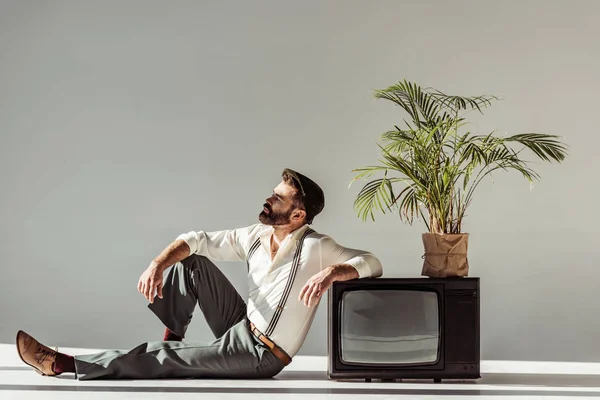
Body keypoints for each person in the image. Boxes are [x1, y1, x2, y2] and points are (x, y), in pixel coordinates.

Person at [16, 168, 383, 380]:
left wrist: (333, 272)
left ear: (298, 215)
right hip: (241, 324)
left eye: (278, 198)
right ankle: (174, 339)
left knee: (163, 359)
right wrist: (157, 263)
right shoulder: (255, 236)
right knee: (192, 262)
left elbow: (371, 262)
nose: (268, 200)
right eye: (272, 194)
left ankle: (61, 364)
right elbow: (197, 240)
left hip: (262, 354)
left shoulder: (316, 247)